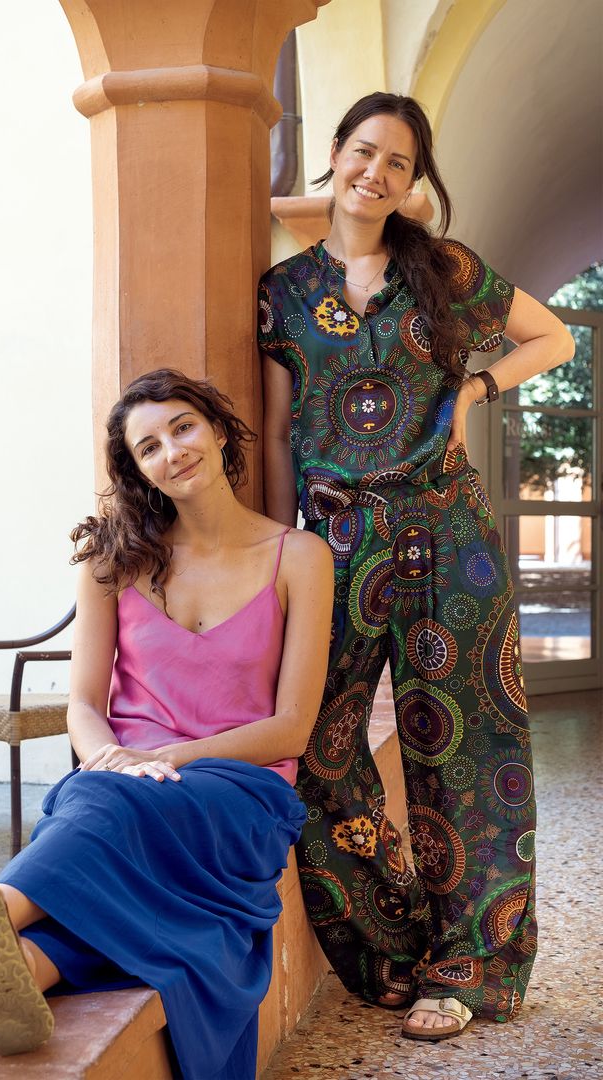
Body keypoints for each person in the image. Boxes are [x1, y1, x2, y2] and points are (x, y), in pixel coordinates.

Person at [0, 369, 333, 1079]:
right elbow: (84, 707)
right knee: (104, 798)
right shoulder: (113, 562)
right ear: (138, 470)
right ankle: (21, 968)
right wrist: (109, 758)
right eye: (148, 447)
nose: (172, 452)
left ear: (219, 430)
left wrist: (171, 758)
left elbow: (292, 727)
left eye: (183, 427)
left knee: (112, 803)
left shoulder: (299, 557)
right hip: (120, 780)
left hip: (240, 792)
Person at [258, 91, 575, 1042]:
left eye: (398, 161)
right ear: (336, 154)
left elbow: (554, 336)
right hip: (336, 545)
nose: (376, 172)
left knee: (471, 753)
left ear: (413, 179)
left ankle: (469, 967)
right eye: (364, 151)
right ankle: (392, 945)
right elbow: (275, 433)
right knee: (318, 744)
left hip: (450, 535)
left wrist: (475, 388)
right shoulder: (283, 290)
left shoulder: (445, 269)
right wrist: (278, 553)